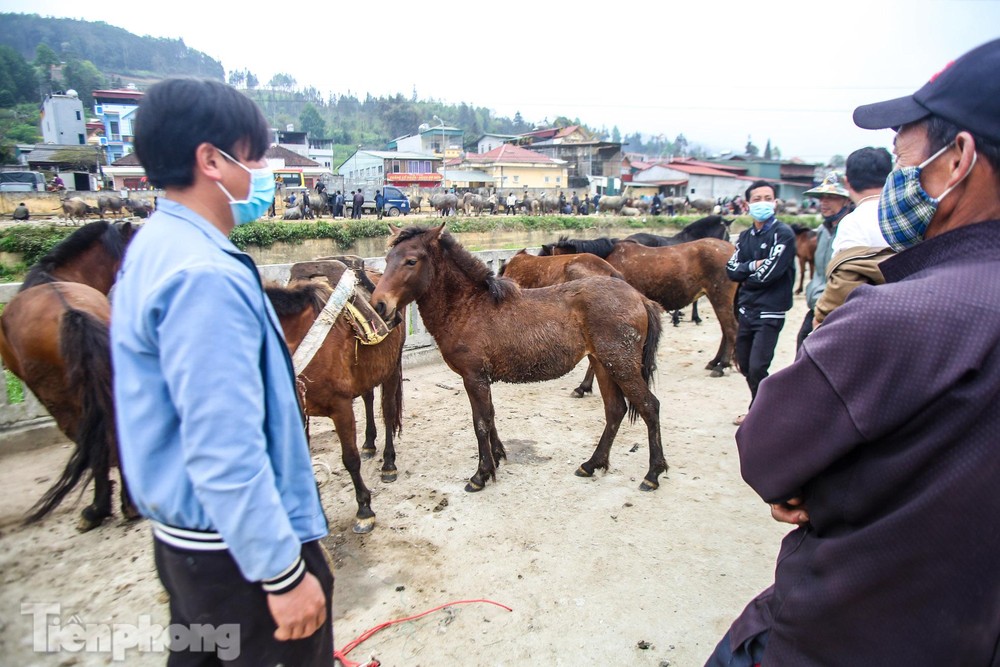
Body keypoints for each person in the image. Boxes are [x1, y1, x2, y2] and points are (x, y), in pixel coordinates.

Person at [708, 37, 1000, 666]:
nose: (898, 180)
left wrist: (826, 485)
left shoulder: (902, 314)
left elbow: (767, 455)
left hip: (853, 632)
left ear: (958, 161)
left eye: (905, 158)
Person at [110, 78, 334, 665]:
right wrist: (283, 575)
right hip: (235, 556)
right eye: (254, 155)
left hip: (193, 548)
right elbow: (223, 446)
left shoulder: (156, 245)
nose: (262, 170)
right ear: (211, 160)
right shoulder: (201, 276)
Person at [725, 180, 796, 425]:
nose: (762, 203)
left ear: (775, 202)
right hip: (747, 310)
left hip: (770, 311)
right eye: (757, 199)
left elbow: (769, 274)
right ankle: (763, 406)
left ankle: (759, 411)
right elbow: (731, 270)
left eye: (768, 198)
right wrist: (752, 266)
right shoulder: (745, 237)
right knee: (743, 363)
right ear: (747, 204)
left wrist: (748, 272)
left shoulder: (783, 234)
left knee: (757, 366)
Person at [812, 146, 895, 328]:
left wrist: (820, 319)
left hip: (867, 320)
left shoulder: (853, 222)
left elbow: (845, 280)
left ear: (847, 183)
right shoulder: (906, 217)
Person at [795, 172, 851, 349]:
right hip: (818, 306)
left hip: (837, 312)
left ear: (847, 200)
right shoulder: (823, 231)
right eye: (821, 197)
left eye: (831, 197)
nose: (824, 202)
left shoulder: (851, 231)